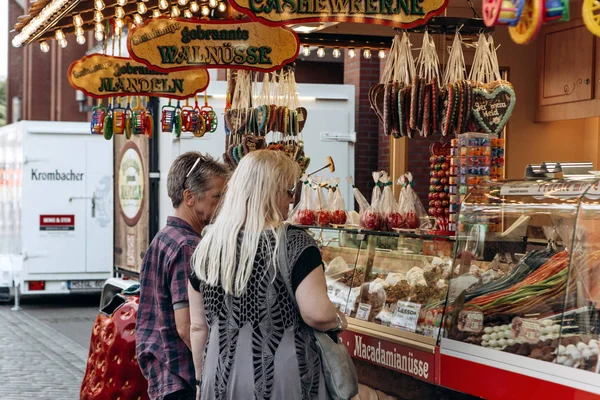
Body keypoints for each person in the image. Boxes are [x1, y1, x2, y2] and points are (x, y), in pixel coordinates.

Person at [188, 150, 347, 400]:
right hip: (282, 378)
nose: (291, 201)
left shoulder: (207, 247)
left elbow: (197, 327)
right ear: (270, 191)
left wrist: (199, 381)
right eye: (288, 192)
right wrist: (338, 321)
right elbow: (317, 314)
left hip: (219, 376)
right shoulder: (295, 243)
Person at [136, 152, 229, 400]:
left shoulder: (164, 237)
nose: (222, 204)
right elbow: (186, 325)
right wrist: (206, 375)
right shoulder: (188, 245)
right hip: (182, 377)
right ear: (189, 196)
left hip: (164, 374)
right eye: (217, 196)